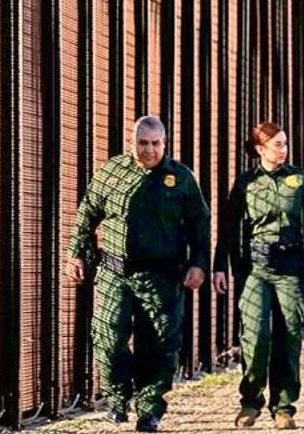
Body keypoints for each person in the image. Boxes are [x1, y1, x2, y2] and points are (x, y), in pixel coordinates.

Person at [65, 115, 210, 433]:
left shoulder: (180, 178)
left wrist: (199, 263)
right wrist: (75, 253)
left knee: (159, 344)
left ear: (165, 143)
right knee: (107, 337)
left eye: (156, 144)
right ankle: (117, 398)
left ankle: (149, 409)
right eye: (143, 143)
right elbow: (87, 212)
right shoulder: (113, 172)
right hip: (115, 271)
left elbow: (200, 224)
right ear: (132, 143)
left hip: (162, 275)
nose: (149, 150)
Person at [212, 121, 304, 430]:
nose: (284, 149)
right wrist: (219, 266)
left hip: (291, 268)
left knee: (289, 336)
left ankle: (284, 407)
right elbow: (228, 228)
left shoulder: (299, 180)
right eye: (277, 144)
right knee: (255, 336)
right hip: (256, 269)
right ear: (260, 149)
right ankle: (250, 402)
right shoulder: (246, 183)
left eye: (285, 143)